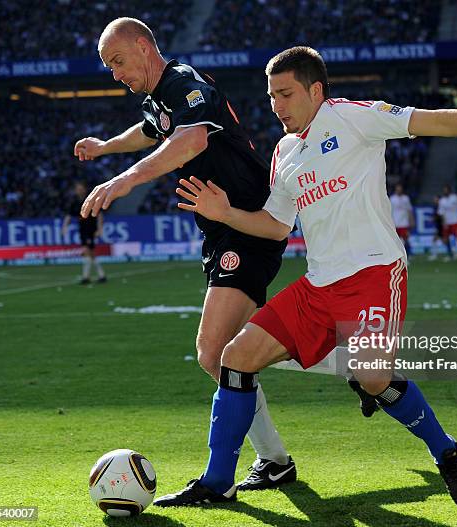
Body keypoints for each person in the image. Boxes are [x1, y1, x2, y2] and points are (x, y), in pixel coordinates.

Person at [153, 45, 457, 508]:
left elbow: (437, 120)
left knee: (374, 376)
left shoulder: (355, 118)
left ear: (316, 90)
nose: (277, 105)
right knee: (234, 358)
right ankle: (217, 483)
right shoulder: (285, 152)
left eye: (286, 94)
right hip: (318, 284)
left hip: (374, 272)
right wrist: (227, 212)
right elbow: (276, 224)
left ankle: (447, 452)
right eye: (272, 96)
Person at [76, 17, 301, 490]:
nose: (115, 74)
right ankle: (284, 449)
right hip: (222, 228)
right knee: (227, 353)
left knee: (212, 351)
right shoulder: (159, 99)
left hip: (247, 224)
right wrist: (106, 148)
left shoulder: (184, 82)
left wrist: (122, 180)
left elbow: (192, 138)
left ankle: (259, 464)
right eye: (108, 67)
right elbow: (151, 130)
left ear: (143, 47)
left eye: (118, 61)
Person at [62, 182, 106, 284]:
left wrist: (99, 229)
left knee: (86, 251)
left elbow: (99, 215)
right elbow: (69, 216)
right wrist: (64, 227)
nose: (79, 190)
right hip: (82, 230)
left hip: (91, 229)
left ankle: (86, 277)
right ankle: (101, 275)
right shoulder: (75, 203)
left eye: (81, 188)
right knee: (91, 253)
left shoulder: (91, 200)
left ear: (84, 189)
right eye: (77, 189)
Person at [438, 185, 457, 261]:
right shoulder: (442, 201)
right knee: (446, 239)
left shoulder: (455, 197)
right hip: (447, 222)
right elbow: (441, 213)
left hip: (455, 221)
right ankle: (450, 255)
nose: (445, 191)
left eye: (446, 190)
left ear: (449, 190)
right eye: (444, 190)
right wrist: (444, 223)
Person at [389, 184, 414, 258]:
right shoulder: (392, 199)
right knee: (396, 241)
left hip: (404, 223)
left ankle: (408, 255)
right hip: (395, 223)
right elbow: (389, 211)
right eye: (397, 189)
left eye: (400, 189)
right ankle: (398, 257)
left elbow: (409, 210)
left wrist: (411, 220)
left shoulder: (406, 198)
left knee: (406, 239)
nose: (399, 190)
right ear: (395, 190)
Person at [427, 195, 445, 261]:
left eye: (436, 199)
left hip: (441, 226)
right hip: (439, 226)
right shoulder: (436, 207)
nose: (435, 201)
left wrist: (433, 219)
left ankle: (434, 255)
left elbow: (440, 216)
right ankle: (453, 252)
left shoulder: (440, 207)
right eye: (434, 199)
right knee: (443, 241)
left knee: (437, 240)